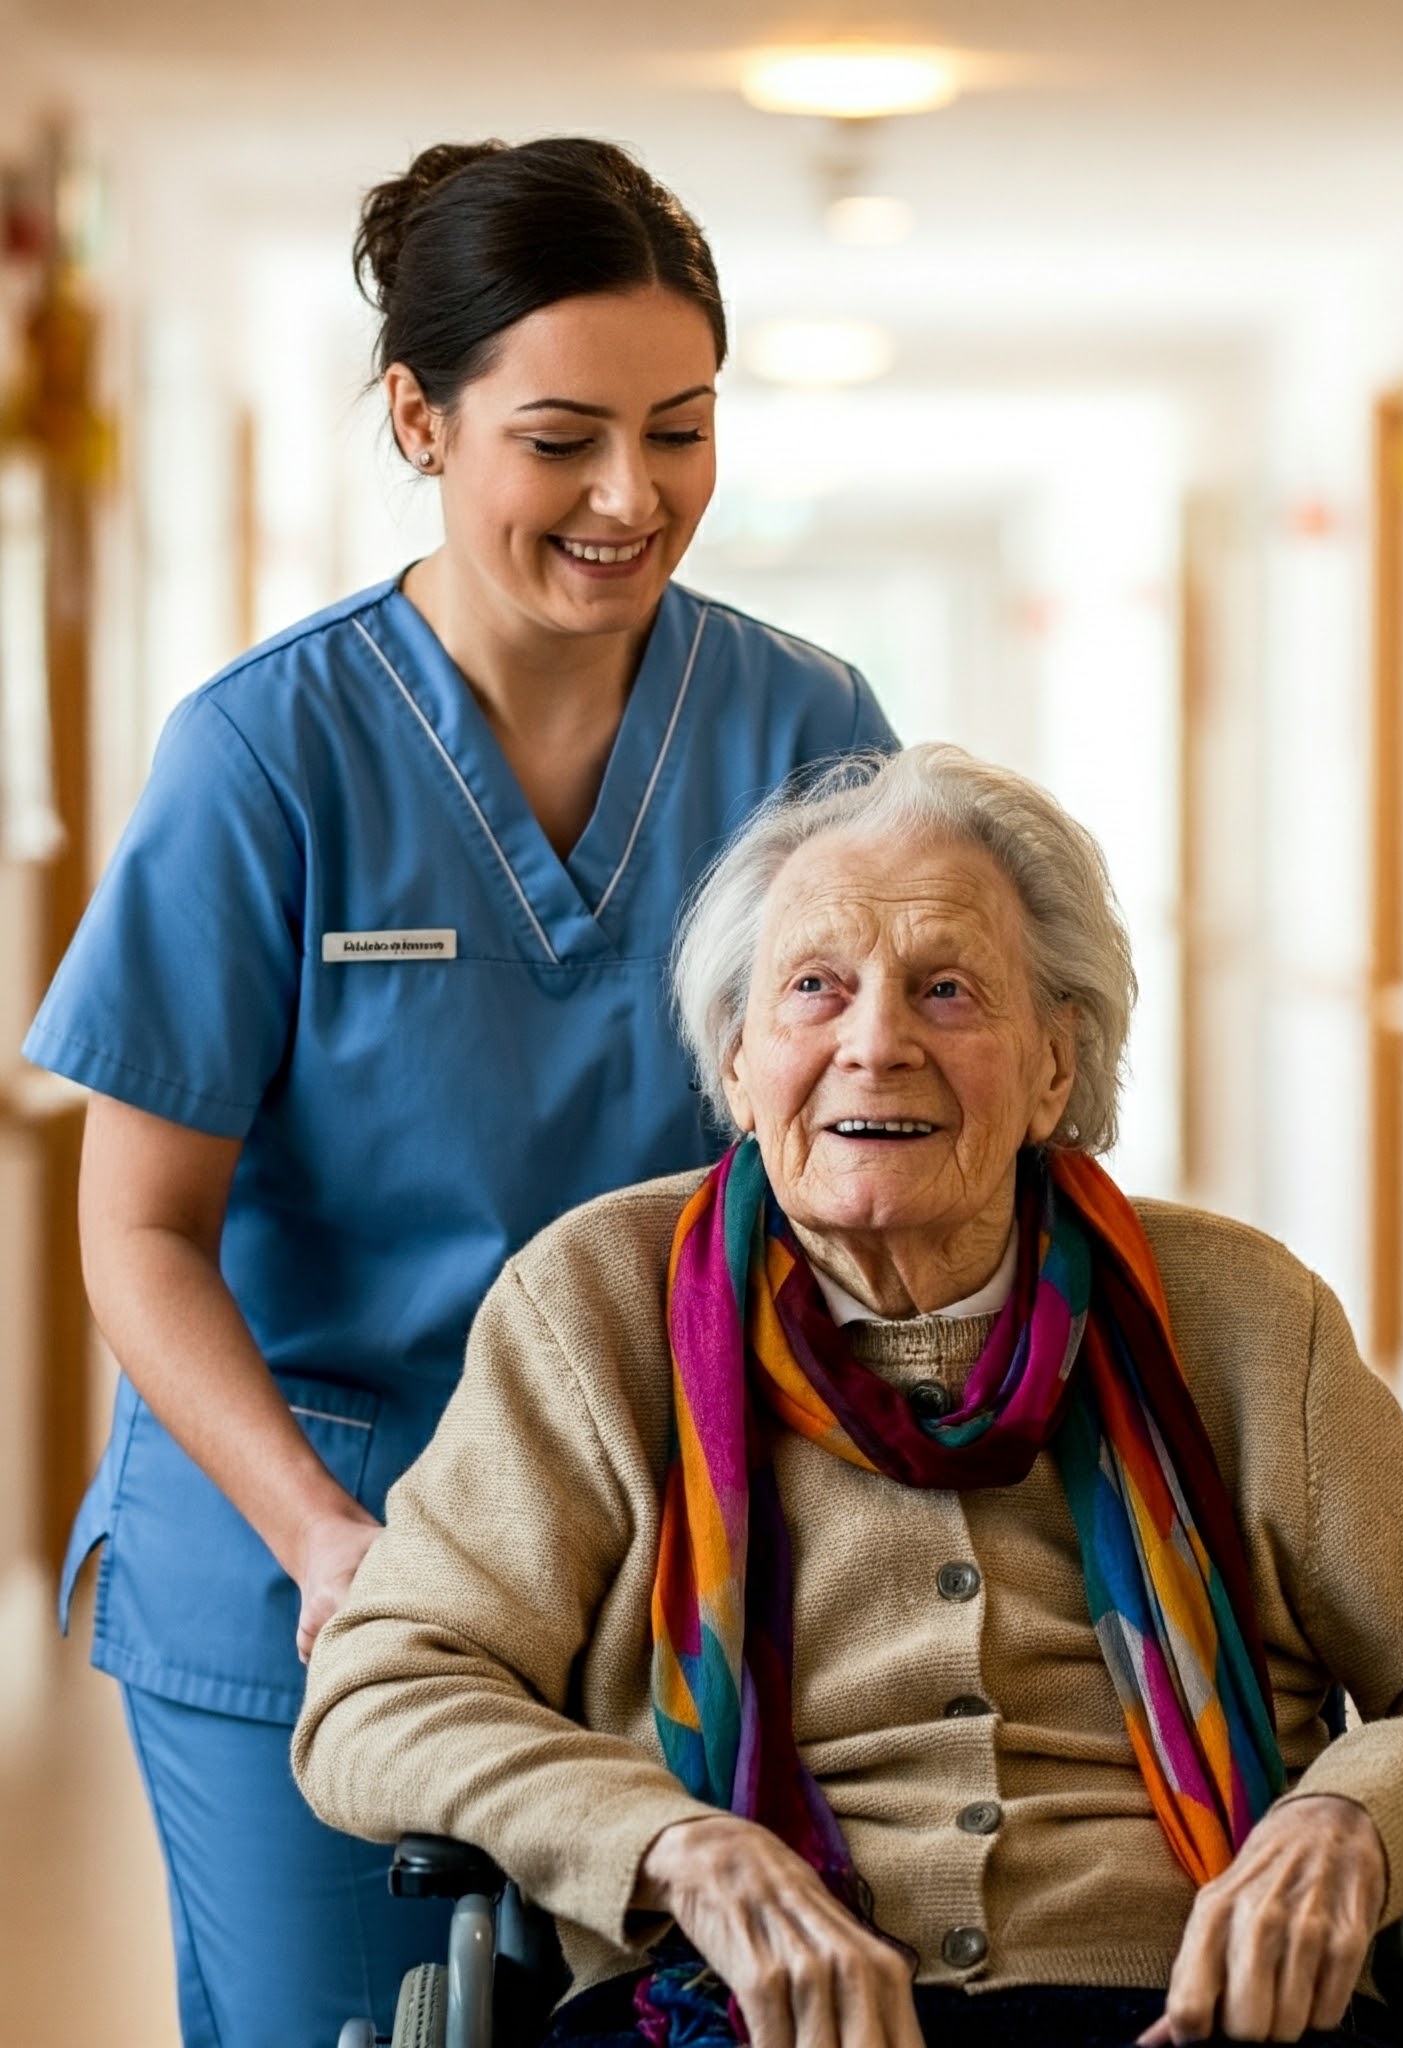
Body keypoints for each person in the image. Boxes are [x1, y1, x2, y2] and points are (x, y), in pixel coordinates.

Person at [294, 743, 1403, 2048]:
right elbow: (381, 1694)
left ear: (1058, 1065)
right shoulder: (597, 1309)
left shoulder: (1236, 1320)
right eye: (815, 988)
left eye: (948, 990)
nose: (875, 1045)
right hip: (734, 2008)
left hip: (1190, 2003)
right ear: (740, 1063)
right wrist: (673, 1847)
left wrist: (1360, 1815)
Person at [24, 136, 895, 2048]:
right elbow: (138, 1226)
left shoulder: (807, 733)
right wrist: (327, 1541)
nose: (629, 496)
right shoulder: (270, 753)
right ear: (419, 419)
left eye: (680, 430)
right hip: (319, 1541)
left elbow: (866, 1138)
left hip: (671, 1543)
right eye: (563, 435)